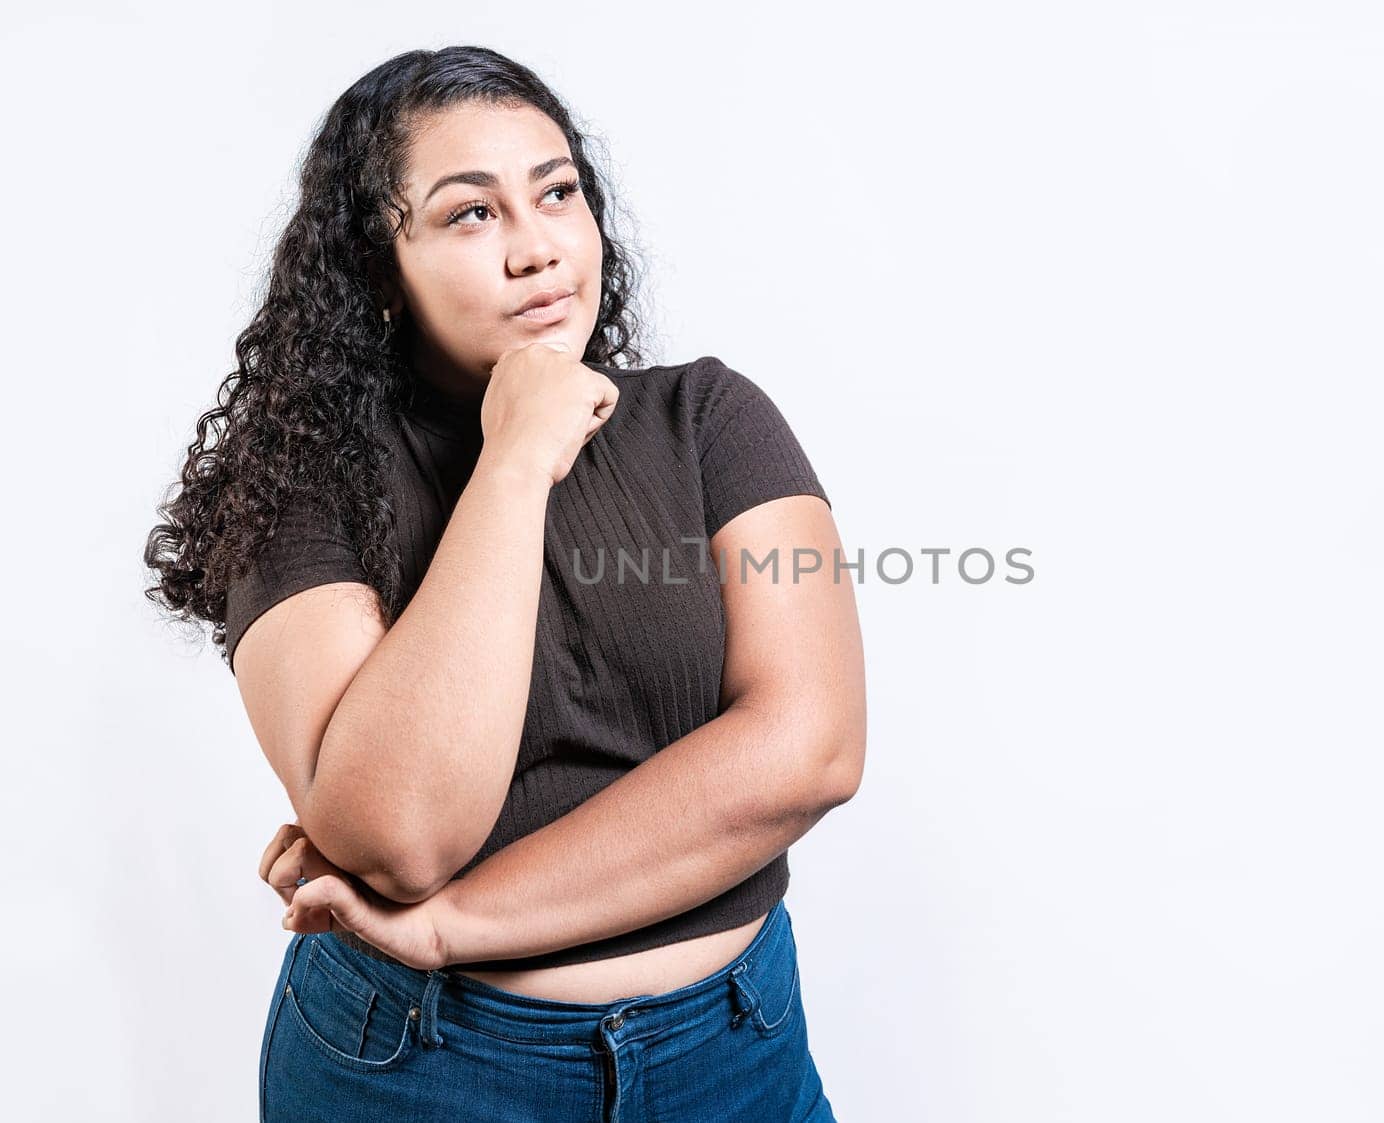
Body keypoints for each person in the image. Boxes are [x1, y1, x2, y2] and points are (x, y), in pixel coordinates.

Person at [142, 44, 866, 1122]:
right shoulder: (303, 485)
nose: (536, 249)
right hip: (427, 1068)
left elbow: (809, 749)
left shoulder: (710, 421)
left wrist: (455, 922)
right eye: (470, 214)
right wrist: (515, 458)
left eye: (558, 193)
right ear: (378, 269)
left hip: (734, 1049)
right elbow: (400, 832)